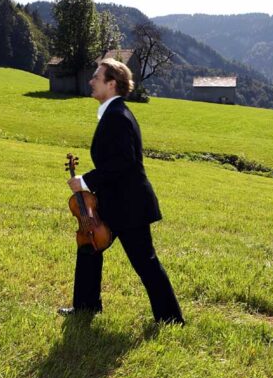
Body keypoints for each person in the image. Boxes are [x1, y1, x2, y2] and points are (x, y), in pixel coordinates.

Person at [61, 59, 185, 325]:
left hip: (130, 205)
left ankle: (172, 320)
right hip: (116, 200)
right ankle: (85, 306)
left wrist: (85, 181)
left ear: (111, 83)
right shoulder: (113, 113)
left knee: (145, 262)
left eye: (96, 77)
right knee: (89, 245)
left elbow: (123, 162)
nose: (91, 81)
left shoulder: (117, 116)